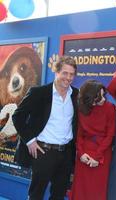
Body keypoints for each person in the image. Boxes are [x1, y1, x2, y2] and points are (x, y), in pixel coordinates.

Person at [12, 56, 78, 200]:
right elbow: (17, 117)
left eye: (72, 74)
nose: (68, 77)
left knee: (59, 195)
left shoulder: (76, 95)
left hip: (66, 154)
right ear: (56, 72)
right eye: (65, 73)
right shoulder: (39, 93)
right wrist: (30, 141)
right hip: (43, 152)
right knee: (36, 195)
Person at [70, 80, 116, 200]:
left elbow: (110, 136)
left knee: (98, 191)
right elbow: (79, 134)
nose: (103, 99)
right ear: (89, 99)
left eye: (103, 95)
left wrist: (97, 157)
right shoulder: (81, 109)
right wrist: (80, 154)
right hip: (84, 154)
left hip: (102, 154)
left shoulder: (110, 108)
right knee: (81, 190)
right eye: (99, 97)